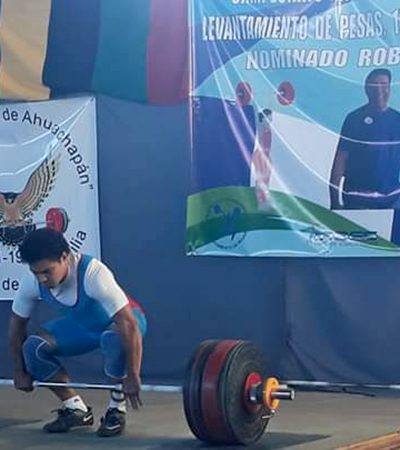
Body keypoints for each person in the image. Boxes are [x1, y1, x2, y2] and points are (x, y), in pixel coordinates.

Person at [8, 228, 147, 437]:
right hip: (84, 327)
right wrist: (19, 371)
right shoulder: (32, 281)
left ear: (64, 257)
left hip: (126, 323)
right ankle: (75, 408)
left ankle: (116, 409)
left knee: (112, 338)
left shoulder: (93, 273)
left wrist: (133, 374)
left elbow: (128, 324)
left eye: (47, 271)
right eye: (36, 273)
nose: (42, 279)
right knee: (33, 347)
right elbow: (16, 326)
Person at [329, 68, 400, 209]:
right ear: (367, 90)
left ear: (389, 88)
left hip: (392, 200)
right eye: (374, 85)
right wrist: (334, 201)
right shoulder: (354, 119)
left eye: (384, 85)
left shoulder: (397, 119)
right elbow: (340, 160)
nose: (379, 90)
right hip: (357, 200)